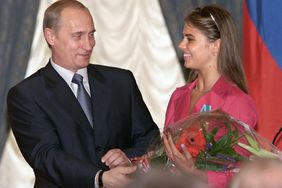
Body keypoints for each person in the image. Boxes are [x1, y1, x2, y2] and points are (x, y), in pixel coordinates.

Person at [7, 1, 159, 188]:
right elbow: (46, 156)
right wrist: (99, 178)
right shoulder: (26, 95)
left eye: (91, 35)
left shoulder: (121, 81)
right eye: (78, 36)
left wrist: (128, 158)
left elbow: (150, 137)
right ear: (50, 36)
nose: (88, 45)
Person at [162, 5, 258, 188]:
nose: (181, 45)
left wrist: (195, 174)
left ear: (215, 46)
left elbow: (245, 174)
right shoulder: (178, 96)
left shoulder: (237, 101)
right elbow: (165, 156)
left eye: (189, 39)